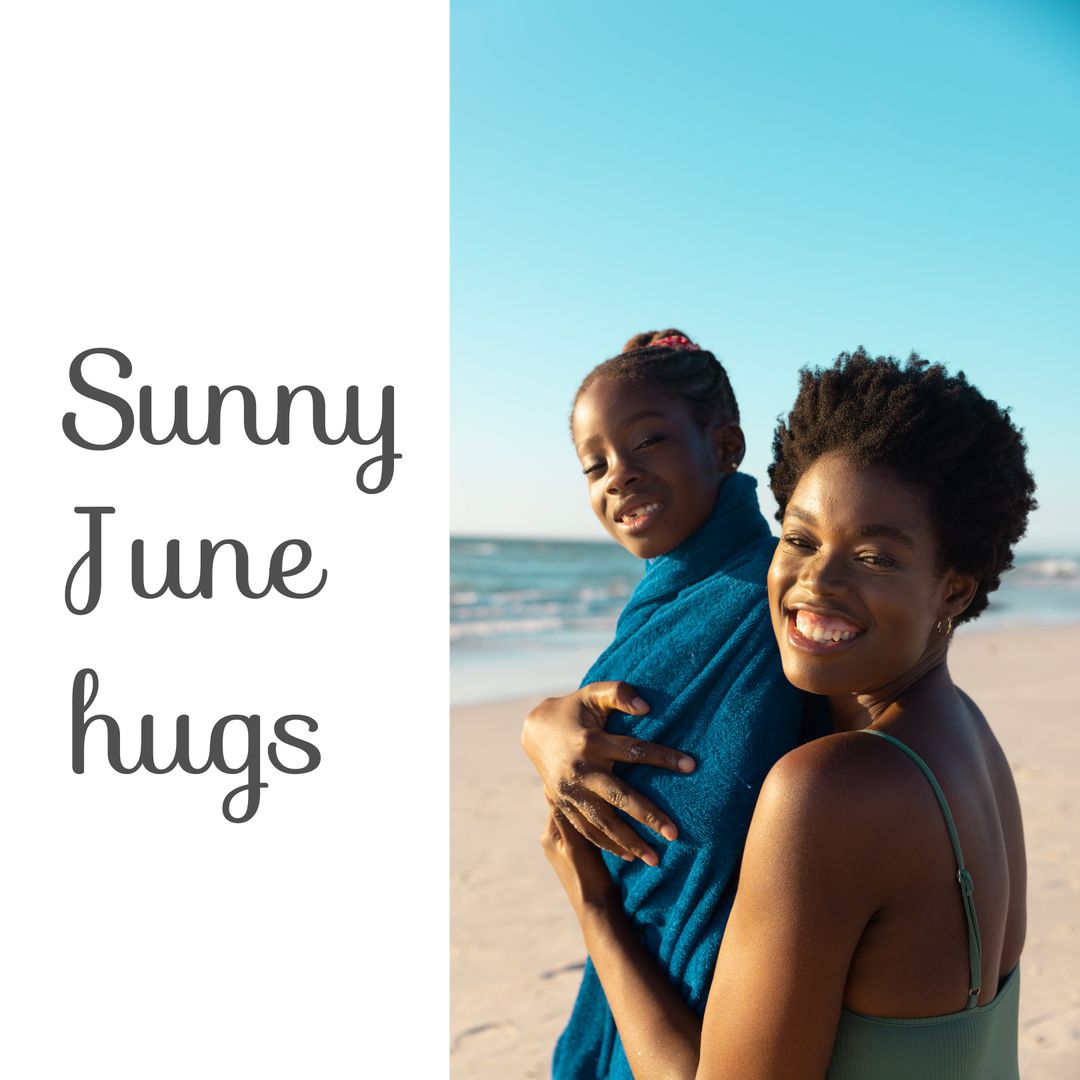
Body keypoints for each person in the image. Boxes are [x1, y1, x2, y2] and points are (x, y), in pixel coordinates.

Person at [540, 349, 1036, 1079]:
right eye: (800, 539)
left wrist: (597, 911)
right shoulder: (966, 740)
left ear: (955, 590)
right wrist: (549, 719)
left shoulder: (831, 790)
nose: (816, 582)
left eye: (873, 557)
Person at [521, 330, 817, 1079]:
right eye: (595, 464)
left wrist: (593, 904)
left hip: (710, 1008)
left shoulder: (777, 602)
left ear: (724, 445)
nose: (619, 476)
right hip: (642, 985)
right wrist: (543, 723)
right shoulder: (666, 603)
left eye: (647, 441)